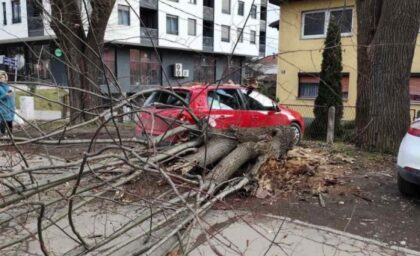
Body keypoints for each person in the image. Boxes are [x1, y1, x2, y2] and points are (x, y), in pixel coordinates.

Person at [0, 71, 15, 137]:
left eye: (4, 77)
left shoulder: (7, 86)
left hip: (10, 106)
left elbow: (10, 95)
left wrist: (11, 94)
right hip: (3, 106)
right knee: (4, 120)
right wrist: (5, 94)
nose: (3, 79)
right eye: (2, 77)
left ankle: (10, 134)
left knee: (10, 120)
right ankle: (3, 134)